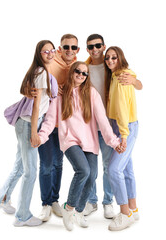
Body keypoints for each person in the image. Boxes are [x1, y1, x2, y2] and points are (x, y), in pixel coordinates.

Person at [31, 61, 123, 231]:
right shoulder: (60, 95)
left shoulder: (92, 93)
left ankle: (79, 211)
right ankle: (69, 208)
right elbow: (50, 121)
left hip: (89, 140)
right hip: (69, 140)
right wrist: (41, 137)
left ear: (87, 76)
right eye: (78, 72)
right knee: (83, 170)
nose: (81, 75)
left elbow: (102, 120)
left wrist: (114, 142)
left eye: (84, 73)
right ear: (72, 72)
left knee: (92, 175)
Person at [0, 40, 58, 227]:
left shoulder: (39, 71)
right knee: (30, 172)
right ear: (39, 53)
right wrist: (35, 133)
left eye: (52, 50)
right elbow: (37, 104)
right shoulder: (42, 73)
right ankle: (22, 216)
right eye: (46, 51)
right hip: (30, 123)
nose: (50, 53)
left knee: (20, 167)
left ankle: (1, 198)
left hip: (26, 123)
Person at [84, 34, 143, 218]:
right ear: (87, 49)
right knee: (92, 166)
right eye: (91, 46)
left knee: (111, 167)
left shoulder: (119, 72)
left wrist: (134, 81)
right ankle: (92, 201)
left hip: (114, 125)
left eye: (98, 45)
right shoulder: (83, 68)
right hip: (92, 124)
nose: (95, 49)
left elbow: (136, 86)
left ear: (103, 46)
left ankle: (110, 202)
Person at [35, 34, 80, 221]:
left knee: (58, 164)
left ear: (77, 50)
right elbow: (35, 81)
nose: (69, 50)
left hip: (65, 126)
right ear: (59, 49)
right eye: (65, 47)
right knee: (46, 165)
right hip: (46, 122)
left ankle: (54, 200)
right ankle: (45, 203)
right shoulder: (49, 63)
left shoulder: (79, 67)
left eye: (73, 47)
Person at [104, 46, 139, 231]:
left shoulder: (122, 76)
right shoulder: (118, 74)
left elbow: (123, 108)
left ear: (120, 58)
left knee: (113, 169)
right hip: (120, 125)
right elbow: (138, 83)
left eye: (114, 57)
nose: (110, 60)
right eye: (108, 58)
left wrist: (123, 135)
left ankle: (125, 214)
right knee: (126, 169)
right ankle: (133, 209)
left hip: (124, 126)